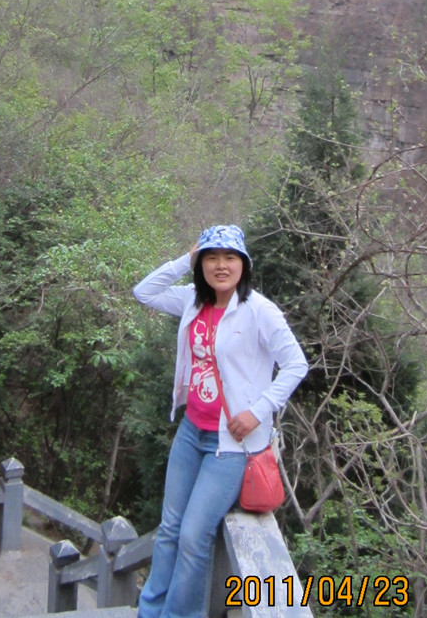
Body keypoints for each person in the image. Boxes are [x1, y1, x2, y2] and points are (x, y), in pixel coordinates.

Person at [133, 224, 308, 618]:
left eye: (230, 257)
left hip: (231, 445)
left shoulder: (260, 311)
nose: (221, 265)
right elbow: (144, 291)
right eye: (211, 257)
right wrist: (186, 259)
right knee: (169, 530)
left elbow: (296, 364)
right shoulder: (193, 301)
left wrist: (258, 411)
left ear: (244, 264)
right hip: (191, 431)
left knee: (193, 535)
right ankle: (150, 611)